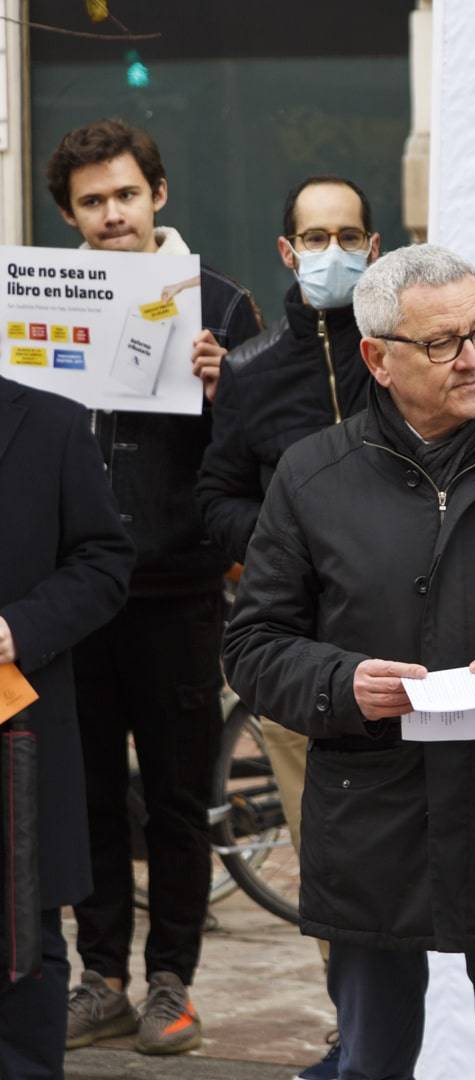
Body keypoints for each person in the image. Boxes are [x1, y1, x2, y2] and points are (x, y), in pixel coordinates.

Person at [222, 244, 475, 1079]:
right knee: (371, 1061)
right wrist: (342, 683)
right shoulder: (312, 475)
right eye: (443, 342)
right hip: (369, 814)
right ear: (378, 359)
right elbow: (254, 645)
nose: (474, 358)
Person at [45, 118, 263, 1056]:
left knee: (175, 797)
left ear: (159, 195)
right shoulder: (40, 300)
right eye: (91, 201)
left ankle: (173, 980)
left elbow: (258, 462)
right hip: (69, 599)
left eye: (126, 194)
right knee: (86, 792)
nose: (112, 214)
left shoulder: (224, 303)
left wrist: (226, 395)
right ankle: (101, 978)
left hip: (178, 593)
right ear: (69, 215)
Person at [195, 175, 380, 1080]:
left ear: (375, 248)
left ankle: (431, 1037)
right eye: (314, 237)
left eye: (347, 236)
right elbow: (214, 498)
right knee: (332, 867)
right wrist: (282, 539)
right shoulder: (251, 371)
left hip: (415, 654)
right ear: (287, 250)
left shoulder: (405, 354)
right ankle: (358, 1036)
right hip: (302, 665)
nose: (330, 253)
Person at [0, 375, 136, 1079]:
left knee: (21, 940)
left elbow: (105, 562)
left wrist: (17, 630)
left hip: (15, 735)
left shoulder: (52, 425)